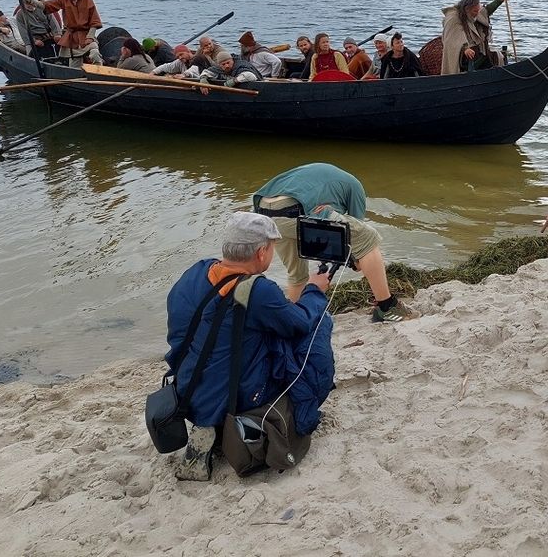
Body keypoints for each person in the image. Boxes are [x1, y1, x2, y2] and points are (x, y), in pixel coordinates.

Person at [165, 212, 334, 481]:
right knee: (318, 323)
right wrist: (314, 289)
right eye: (272, 248)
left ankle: (210, 423)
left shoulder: (196, 273)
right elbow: (300, 324)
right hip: (240, 398)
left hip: (188, 390)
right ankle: (271, 414)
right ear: (261, 252)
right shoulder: (258, 291)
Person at [253, 163, 419, 322]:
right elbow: (357, 234)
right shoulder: (355, 186)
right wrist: (357, 262)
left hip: (265, 211)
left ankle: (297, 317)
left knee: (297, 273)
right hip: (294, 206)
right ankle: (387, 307)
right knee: (368, 237)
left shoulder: (329, 179)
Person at [23, 0, 103, 67]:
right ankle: (75, 79)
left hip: (86, 35)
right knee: (74, 66)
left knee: (95, 53)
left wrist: (90, 36)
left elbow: (94, 20)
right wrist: (30, 0)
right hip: (72, 39)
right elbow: (46, 5)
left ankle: (100, 74)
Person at [440, 0, 508, 74]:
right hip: (462, 57)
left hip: (475, 51)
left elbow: (486, 11)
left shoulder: (471, 13)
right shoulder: (453, 18)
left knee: (495, 56)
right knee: (482, 57)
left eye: (477, 10)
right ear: (467, 9)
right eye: (475, 11)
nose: (477, 13)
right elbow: (455, 37)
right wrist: (465, 48)